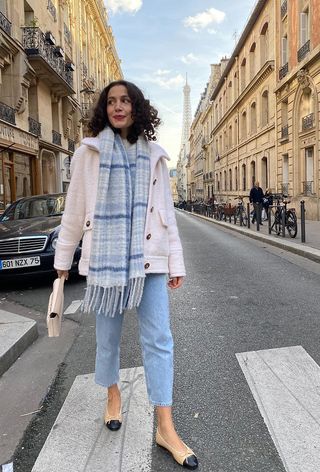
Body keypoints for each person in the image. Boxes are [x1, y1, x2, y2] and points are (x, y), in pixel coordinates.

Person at [54, 80, 198, 470]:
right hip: (106, 261)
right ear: (105, 108)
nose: (118, 107)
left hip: (149, 259)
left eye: (126, 100)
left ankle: (165, 427)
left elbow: (166, 213)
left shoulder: (154, 155)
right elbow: (74, 209)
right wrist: (63, 259)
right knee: (109, 339)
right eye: (111, 101)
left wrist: (176, 262)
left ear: (137, 108)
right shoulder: (89, 152)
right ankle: (112, 395)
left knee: (160, 339)